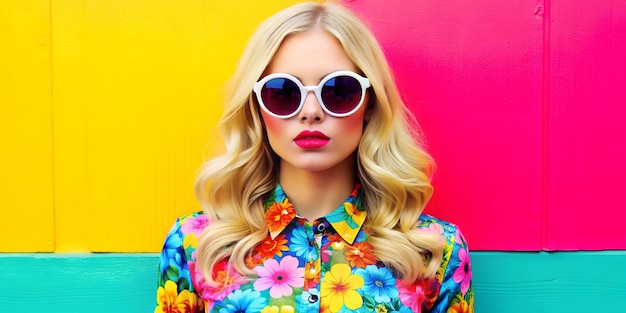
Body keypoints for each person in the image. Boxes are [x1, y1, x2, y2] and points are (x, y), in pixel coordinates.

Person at [155, 2, 474, 312]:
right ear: (257, 107)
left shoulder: (435, 251)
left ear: (370, 105)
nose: (310, 112)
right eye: (283, 92)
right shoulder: (196, 245)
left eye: (338, 90)